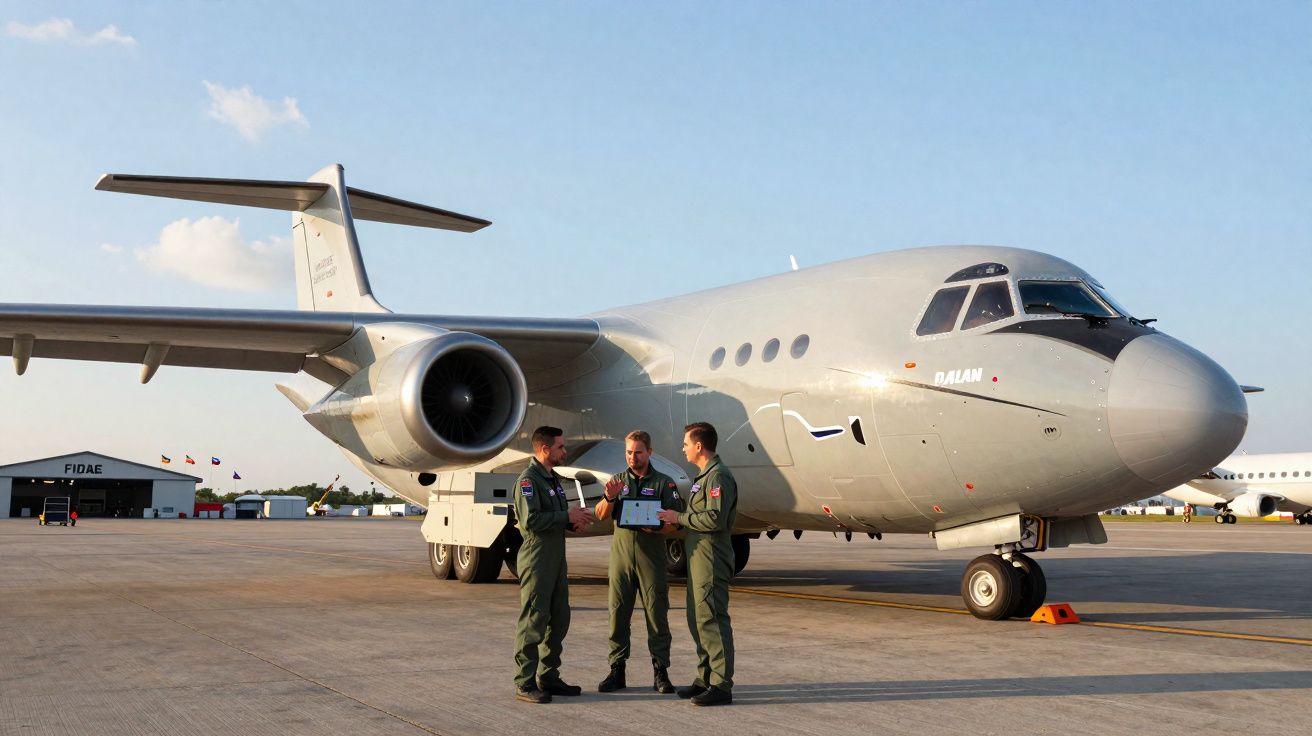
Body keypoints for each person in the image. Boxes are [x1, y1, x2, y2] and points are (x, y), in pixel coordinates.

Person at [593, 430, 684, 694]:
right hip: (621, 559)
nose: (633, 457)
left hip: (651, 559)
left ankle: (660, 671)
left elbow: (676, 521)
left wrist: (658, 527)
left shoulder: (664, 483)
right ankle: (617, 670)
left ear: (649, 452)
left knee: (657, 615)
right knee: (618, 614)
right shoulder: (617, 481)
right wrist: (609, 498)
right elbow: (600, 515)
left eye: (638, 452)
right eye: (629, 452)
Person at [657, 421, 737, 707]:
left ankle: (721, 684)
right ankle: (705, 677)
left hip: (711, 558)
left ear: (699, 446)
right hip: (698, 559)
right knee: (697, 619)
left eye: (686, 444)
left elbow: (714, 519)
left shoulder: (718, 477)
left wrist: (678, 518)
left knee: (711, 619)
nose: (683, 449)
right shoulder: (703, 477)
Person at [512, 426, 594, 704]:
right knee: (534, 619)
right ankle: (524, 681)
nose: (564, 451)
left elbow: (555, 516)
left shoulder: (553, 479)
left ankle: (549, 676)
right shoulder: (528, 481)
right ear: (545, 449)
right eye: (560, 447)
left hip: (556, 556)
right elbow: (531, 520)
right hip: (537, 557)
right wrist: (565, 516)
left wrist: (573, 521)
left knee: (559, 618)